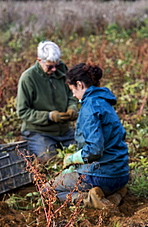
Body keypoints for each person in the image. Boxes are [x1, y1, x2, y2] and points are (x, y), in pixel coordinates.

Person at [50, 63, 129, 209]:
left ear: (79, 85)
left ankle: (89, 199)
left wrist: (73, 159)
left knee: (48, 190)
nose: (73, 95)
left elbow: (95, 149)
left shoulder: (89, 107)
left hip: (102, 176)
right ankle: (116, 194)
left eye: (73, 90)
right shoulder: (104, 102)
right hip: (122, 174)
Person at [16, 41, 78, 163]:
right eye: (50, 66)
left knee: (82, 153)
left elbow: (71, 94)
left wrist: (72, 108)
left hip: (64, 130)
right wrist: (49, 116)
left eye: (57, 64)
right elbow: (23, 112)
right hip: (39, 132)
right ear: (39, 60)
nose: (54, 69)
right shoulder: (28, 78)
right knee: (50, 160)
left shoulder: (62, 70)